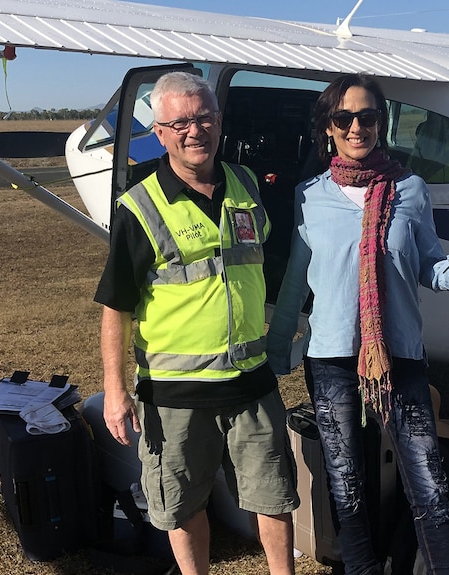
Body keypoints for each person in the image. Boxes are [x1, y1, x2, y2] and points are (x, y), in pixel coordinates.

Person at [267, 73, 449, 575]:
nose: (356, 127)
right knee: (346, 485)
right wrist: (278, 348)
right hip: (330, 359)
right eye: (344, 118)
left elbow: (427, 265)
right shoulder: (310, 195)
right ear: (328, 126)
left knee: (428, 486)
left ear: (380, 122)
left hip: (400, 356)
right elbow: (295, 283)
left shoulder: (410, 189)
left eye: (367, 117)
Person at [94, 71, 299, 575]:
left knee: (274, 498)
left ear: (219, 121)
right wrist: (115, 390)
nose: (195, 131)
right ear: (160, 132)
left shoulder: (247, 185)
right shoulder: (139, 207)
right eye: (180, 122)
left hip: (251, 382)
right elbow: (115, 306)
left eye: (204, 118)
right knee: (183, 508)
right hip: (176, 392)